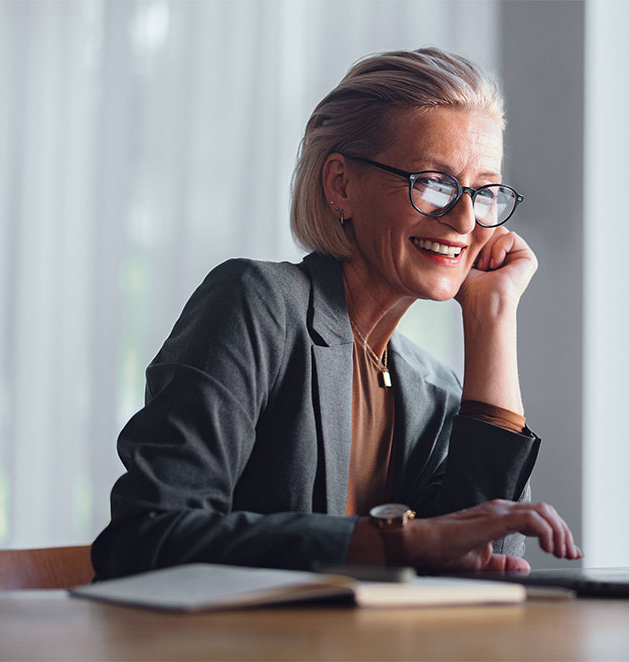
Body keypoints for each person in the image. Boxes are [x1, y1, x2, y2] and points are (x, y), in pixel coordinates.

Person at [91, 47, 580, 579]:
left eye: (484, 192)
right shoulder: (257, 302)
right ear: (340, 185)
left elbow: (492, 559)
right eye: (434, 183)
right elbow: (147, 537)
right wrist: (402, 542)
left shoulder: (432, 388)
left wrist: (494, 319)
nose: (464, 219)